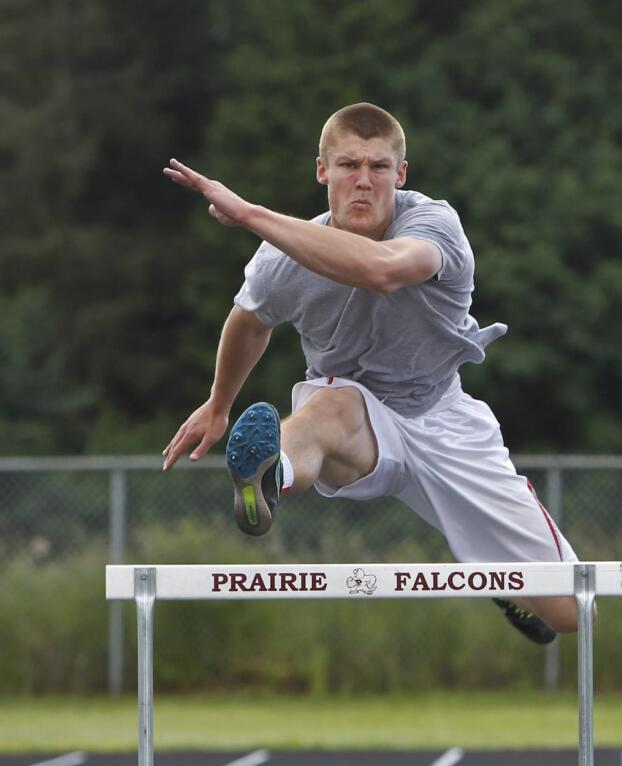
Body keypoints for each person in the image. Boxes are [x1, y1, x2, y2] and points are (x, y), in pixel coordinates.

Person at [160, 102, 577, 644]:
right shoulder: (280, 257)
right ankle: (271, 473)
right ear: (321, 171)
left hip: (441, 417)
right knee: (328, 406)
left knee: (572, 611)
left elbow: (382, 270)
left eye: (378, 168)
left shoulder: (433, 224)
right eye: (348, 166)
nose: (363, 182)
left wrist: (247, 213)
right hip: (355, 418)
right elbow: (250, 320)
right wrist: (219, 404)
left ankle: (507, 588)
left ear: (400, 175)